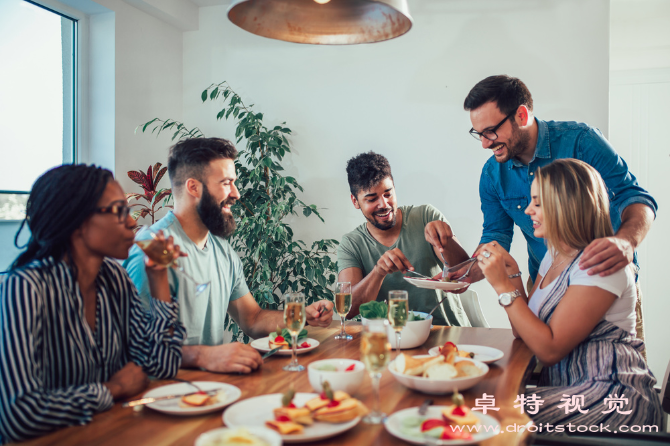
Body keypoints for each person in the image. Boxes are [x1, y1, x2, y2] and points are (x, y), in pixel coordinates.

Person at [460, 75, 657, 347]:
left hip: (599, 278)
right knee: (546, 373)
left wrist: (626, 242)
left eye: (491, 131)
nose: (484, 143)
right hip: (544, 281)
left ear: (521, 114)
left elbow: (634, 196)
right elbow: (495, 235)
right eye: (478, 134)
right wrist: (467, 270)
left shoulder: (581, 141)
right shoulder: (493, 173)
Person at [0, 165, 185, 444]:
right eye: (118, 211)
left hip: (108, 435)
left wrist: (158, 277)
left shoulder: (115, 278)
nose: (132, 222)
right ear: (76, 222)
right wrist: (112, 389)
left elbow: (161, 365)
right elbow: (19, 414)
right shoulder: (26, 287)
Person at [476, 159, 661, 432]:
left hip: (612, 396)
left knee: (487, 414)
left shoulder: (599, 265)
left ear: (565, 206)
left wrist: (503, 288)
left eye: (538, 203)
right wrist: (513, 276)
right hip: (571, 388)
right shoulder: (554, 255)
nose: (528, 210)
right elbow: (523, 332)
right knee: (479, 403)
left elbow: (550, 349)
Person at [124, 137, 333, 374]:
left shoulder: (222, 250)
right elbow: (131, 348)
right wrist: (204, 356)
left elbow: (252, 319)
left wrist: (299, 316)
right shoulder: (149, 251)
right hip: (160, 399)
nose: (236, 194)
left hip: (212, 392)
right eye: (226, 183)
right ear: (193, 187)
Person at [337, 152, 471, 326]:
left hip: (447, 332)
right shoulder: (352, 244)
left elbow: (464, 278)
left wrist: (447, 241)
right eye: (372, 199)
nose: (384, 204)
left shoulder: (426, 216)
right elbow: (348, 310)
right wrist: (378, 271)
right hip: (392, 339)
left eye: (388, 194)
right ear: (355, 201)